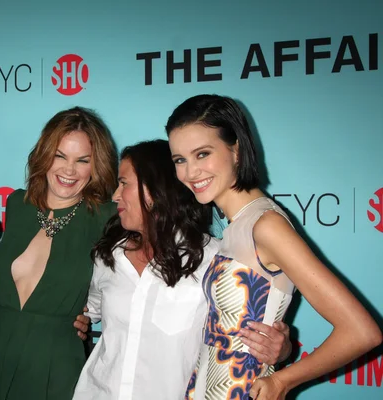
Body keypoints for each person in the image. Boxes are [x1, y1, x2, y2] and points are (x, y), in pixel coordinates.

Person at [166, 94, 382, 400]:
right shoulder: (233, 224)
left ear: (236, 150)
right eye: (180, 160)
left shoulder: (266, 225)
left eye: (202, 154)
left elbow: (362, 332)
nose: (190, 172)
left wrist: (283, 381)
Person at [72, 140, 291, 400]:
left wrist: (282, 348)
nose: (115, 195)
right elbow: (91, 310)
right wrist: (77, 319)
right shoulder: (108, 255)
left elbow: (249, 337)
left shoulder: (214, 259)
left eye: (124, 183)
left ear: (155, 189)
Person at [0, 107, 118, 399]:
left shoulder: (105, 217)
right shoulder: (17, 205)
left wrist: (92, 313)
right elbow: (17, 278)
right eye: (60, 156)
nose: (69, 170)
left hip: (53, 359)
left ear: (96, 167)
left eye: (82, 160)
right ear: (45, 155)